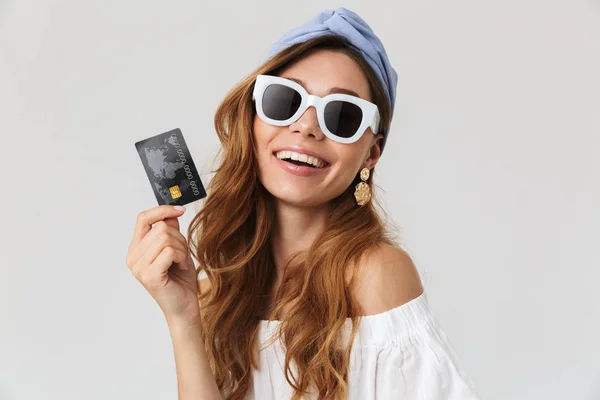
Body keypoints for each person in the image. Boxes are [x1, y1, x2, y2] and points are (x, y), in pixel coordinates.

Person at [126, 7, 481, 400]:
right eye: (284, 101)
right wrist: (183, 318)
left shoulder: (376, 276)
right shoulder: (214, 294)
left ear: (371, 154)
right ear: (252, 119)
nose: (307, 126)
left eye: (342, 116)